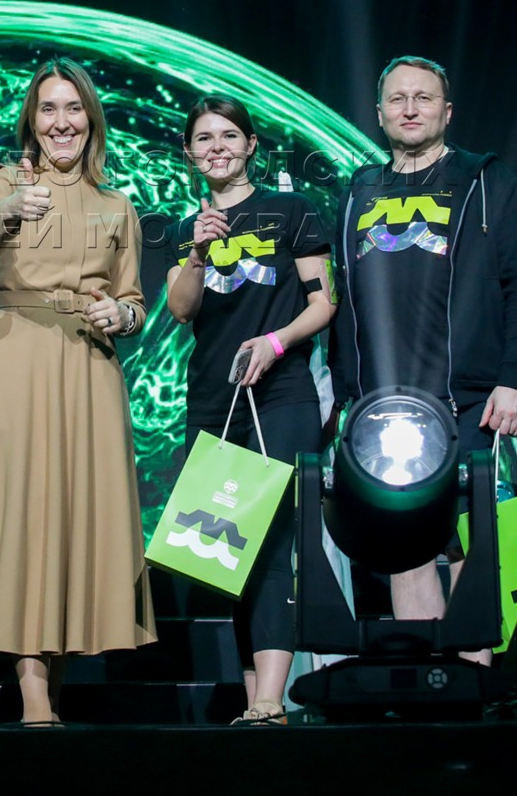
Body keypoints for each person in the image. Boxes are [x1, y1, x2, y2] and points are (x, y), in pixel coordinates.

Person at [0, 58, 157, 726]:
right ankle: (33, 694)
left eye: (72, 108)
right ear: (31, 122)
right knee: (24, 513)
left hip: (89, 365)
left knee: (73, 517)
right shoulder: (1, 181)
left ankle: (51, 692)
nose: (61, 122)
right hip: (17, 354)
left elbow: (134, 299)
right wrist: (13, 208)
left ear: (90, 119)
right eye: (48, 109)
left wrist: (121, 316)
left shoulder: (116, 205)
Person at [330, 57, 517, 639]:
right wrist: (347, 393)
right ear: (379, 113)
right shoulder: (360, 190)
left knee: (472, 538)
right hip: (385, 406)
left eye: (423, 98)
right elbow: (344, 297)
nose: (410, 109)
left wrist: (514, 378)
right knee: (410, 544)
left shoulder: (486, 180)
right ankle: (429, 673)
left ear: (446, 112)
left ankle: (474, 671)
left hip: (469, 399)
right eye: (398, 99)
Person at [165, 96, 333, 726]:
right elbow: (182, 310)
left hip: (281, 394)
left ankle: (270, 700)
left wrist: (275, 343)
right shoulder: (187, 227)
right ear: (189, 152)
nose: (218, 147)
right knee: (226, 551)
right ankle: (253, 701)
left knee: (270, 541)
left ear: (251, 145)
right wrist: (198, 252)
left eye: (229, 136)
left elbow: (324, 302)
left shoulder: (291, 210)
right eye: (205, 138)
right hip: (215, 400)